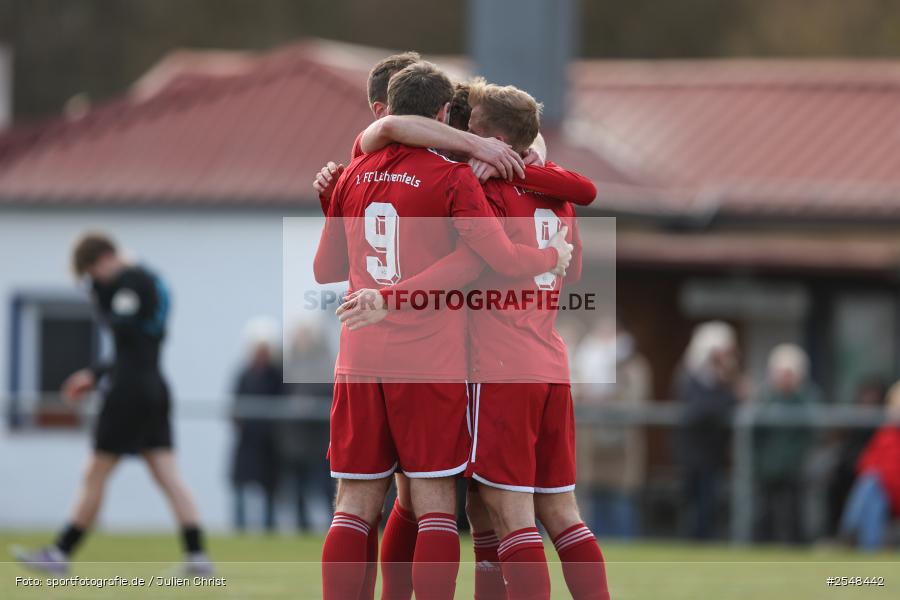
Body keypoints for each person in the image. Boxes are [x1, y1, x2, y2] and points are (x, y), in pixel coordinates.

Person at [339, 79, 608, 599]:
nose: (463, 132)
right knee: (551, 511)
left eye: (474, 126)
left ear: (493, 136)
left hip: (495, 369)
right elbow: (572, 267)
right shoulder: (556, 193)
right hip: (550, 365)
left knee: (495, 513)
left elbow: (480, 259)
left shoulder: (480, 185)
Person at [12, 233, 212, 574]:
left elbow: (127, 334)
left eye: (92, 273)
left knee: (95, 472)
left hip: (129, 392)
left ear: (104, 258)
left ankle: (60, 553)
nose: (94, 281)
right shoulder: (147, 279)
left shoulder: (129, 283)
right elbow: (132, 345)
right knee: (167, 474)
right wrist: (95, 373)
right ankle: (197, 556)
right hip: (153, 386)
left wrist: (100, 298)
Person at [574, 317, 651, 539]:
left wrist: (609, 398)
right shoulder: (584, 361)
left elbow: (636, 397)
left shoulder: (634, 364)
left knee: (620, 501)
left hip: (622, 446)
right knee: (591, 501)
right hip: (590, 446)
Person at [675, 321, 741, 540]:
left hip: (714, 451)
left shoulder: (726, 377)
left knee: (710, 500)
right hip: (693, 450)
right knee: (692, 500)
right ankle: (691, 539)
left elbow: (732, 403)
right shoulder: (691, 375)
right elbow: (701, 408)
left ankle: (706, 538)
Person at [752, 344, 820, 544]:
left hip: (795, 467)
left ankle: (795, 546)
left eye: (789, 373)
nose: (785, 378)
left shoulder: (807, 397)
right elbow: (755, 431)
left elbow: (812, 432)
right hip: (767, 467)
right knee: (764, 512)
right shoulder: (765, 397)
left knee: (793, 512)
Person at [230, 317, 284, 533]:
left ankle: (269, 528)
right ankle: (239, 528)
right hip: (247, 441)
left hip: (270, 442)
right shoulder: (244, 374)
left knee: (270, 488)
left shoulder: (277, 374)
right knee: (241, 487)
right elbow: (235, 404)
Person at [839, 381, 900, 551]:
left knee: (872, 486)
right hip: (885, 492)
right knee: (871, 486)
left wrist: (882, 481)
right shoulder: (886, 434)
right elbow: (865, 464)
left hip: (892, 491)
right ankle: (864, 547)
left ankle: (849, 534)